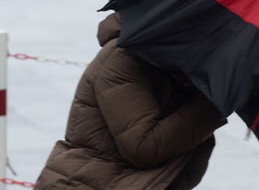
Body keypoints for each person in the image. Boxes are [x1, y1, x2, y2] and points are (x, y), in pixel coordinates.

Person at [35, 13, 226, 190]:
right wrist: (213, 101)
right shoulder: (124, 56)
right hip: (86, 183)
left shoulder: (179, 63)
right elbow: (144, 148)